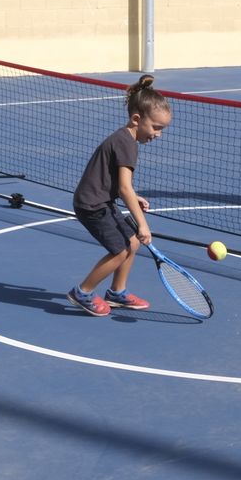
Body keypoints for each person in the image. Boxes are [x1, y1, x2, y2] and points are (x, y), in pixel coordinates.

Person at [67, 75, 173, 316]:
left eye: (162, 129)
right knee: (121, 249)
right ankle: (82, 292)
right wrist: (143, 225)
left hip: (101, 199)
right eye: (156, 127)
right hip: (92, 205)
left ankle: (117, 293)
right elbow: (125, 187)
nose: (158, 134)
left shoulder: (126, 139)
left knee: (132, 242)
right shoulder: (126, 143)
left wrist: (133, 198)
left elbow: (118, 183)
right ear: (137, 119)